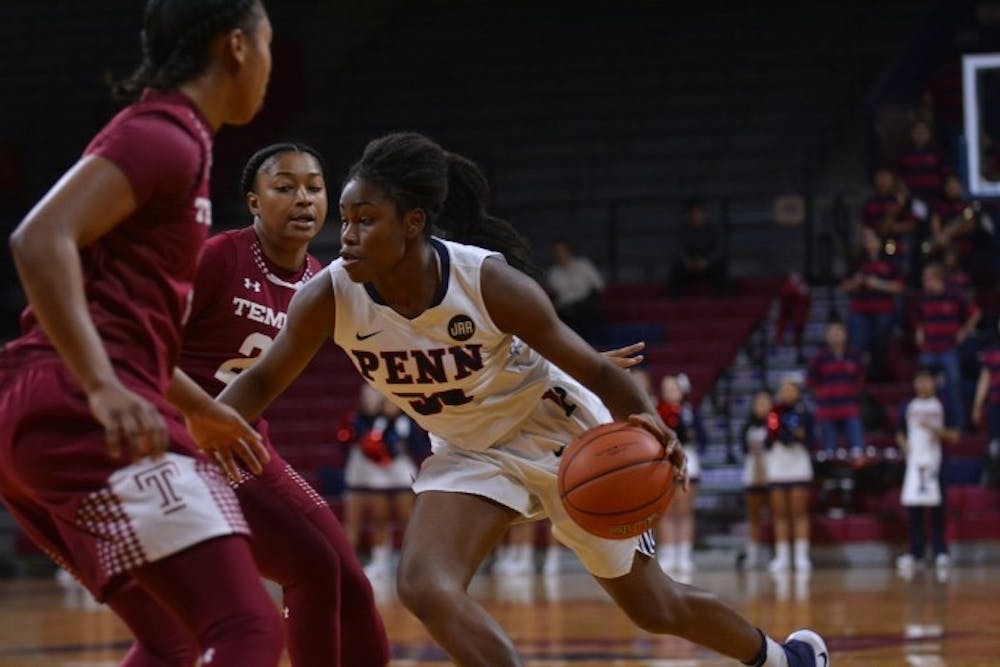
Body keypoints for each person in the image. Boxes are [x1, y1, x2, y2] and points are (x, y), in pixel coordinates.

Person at [215, 132, 829, 666]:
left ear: (412, 223)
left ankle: (783, 659)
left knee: (654, 605)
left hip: (558, 435)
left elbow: (590, 364)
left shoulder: (488, 282)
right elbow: (262, 382)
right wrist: (196, 436)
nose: (346, 235)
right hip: (467, 448)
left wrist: (648, 421)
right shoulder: (328, 295)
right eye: (344, 220)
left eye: (365, 219)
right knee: (425, 586)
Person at [0, 2, 284, 665]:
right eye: (270, 43)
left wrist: (201, 409)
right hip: (82, 408)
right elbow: (40, 238)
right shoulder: (165, 135)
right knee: (250, 629)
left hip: (38, 414)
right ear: (237, 47)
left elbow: (127, 319)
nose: (272, 64)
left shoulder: (179, 141)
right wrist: (100, 385)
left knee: (175, 637)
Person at [177, 142, 389, 665]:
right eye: (285, 186)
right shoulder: (218, 256)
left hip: (249, 444)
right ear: (253, 200)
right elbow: (144, 346)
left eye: (314, 187)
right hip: (188, 441)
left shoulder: (321, 280)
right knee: (312, 567)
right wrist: (194, 416)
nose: (303, 199)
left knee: (353, 585)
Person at [344, 384, 421, 583]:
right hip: (380, 477)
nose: (390, 405)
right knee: (379, 520)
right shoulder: (372, 422)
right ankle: (380, 562)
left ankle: (413, 563)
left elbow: (417, 446)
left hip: (402, 476)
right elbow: (361, 443)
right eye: (387, 402)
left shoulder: (408, 421)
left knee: (408, 521)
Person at [895, 369, 958, 575]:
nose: (922, 385)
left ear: (933, 383)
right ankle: (916, 553)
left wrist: (934, 429)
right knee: (914, 509)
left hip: (936, 461)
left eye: (926, 381)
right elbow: (899, 433)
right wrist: (906, 447)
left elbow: (955, 436)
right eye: (919, 381)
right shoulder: (907, 406)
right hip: (915, 463)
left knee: (938, 507)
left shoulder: (943, 404)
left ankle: (940, 551)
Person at [916, 262, 980, 429]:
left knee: (954, 387)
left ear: (937, 279)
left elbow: (975, 314)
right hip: (929, 348)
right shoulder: (923, 298)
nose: (925, 283)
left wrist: (964, 331)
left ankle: (958, 426)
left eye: (927, 279)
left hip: (948, 349)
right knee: (924, 387)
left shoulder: (955, 296)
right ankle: (927, 424)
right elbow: (919, 319)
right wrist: (919, 330)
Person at [765, 378, 815, 574]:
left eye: (790, 389)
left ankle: (801, 556)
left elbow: (810, 437)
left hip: (798, 462)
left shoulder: (805, 412)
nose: (786, 393)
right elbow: (769, 437)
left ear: (797, 392)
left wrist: (798, 435)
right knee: (780, 513)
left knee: (799, 511)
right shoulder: (774, 413)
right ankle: (782, 556)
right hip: (778, 462)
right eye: (783, 389)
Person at [841, 227, 904, 381]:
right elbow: (845, 286)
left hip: (883, 309)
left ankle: (877, 377)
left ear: (879, 241)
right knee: (857, 346)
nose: (870, 243)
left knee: (881, 345)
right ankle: (855, 377)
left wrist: (877, 284)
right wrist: (857, 281)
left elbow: (899, 287)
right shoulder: (857, 261)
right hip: (860, 310)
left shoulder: (889, 259)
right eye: (866, 239)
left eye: (872, 239)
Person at [655, 375, 700, 575]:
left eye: (674, 388)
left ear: (682, 392)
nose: (670, 392)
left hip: (687, 462)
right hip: (663, 464)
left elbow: (701, 438)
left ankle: (684, 554)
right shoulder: (656, 412)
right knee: (665, 512)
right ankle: (667, 553)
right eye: (667, 388)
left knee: (684, 512)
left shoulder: (690, 412)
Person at [807, 320, 866, 457]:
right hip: (827, 411)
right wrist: (822, 394)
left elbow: (861, 378)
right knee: (830, 452)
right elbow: (811, 381)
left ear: (845, 334)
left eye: (838, 332)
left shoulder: (853, 355)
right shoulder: (820, 358)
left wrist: (852, 393)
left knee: (858, 450)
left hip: (849, 409)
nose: (835, 336)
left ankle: (860, 477)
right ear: (827, 336)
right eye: (832, 333)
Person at [738, 390, 774, 570]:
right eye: (758, 403)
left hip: (773, 473)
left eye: (765, 403)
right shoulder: (748, 427)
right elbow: (743, 448)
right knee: (753, 516)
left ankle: (776, 554)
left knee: (775, 515)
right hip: (752, 474)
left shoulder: (775, 423)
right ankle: (752, 555)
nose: (761, 407)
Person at [669, 199, 728, 297]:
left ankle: (725, 302)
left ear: (705, 214)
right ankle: (672, 303)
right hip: (688, 265)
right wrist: (686, 261)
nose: (695, 216)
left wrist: (706, 262)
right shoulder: (681, 230)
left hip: (709, 264)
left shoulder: (715, 229)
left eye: (698, 213)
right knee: (676, 271)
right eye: (692, 213)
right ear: (687, 215)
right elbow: (678, 250)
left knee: (721, 270)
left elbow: (719, 250)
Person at [546, 240, 604, 338]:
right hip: (564, 310)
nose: (560, 254)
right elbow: (554, 294)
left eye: (562, 250)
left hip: (585, 306)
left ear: (569, 250)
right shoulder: (553, 272)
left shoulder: (584, 265)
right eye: (557, 251)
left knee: (585, 313)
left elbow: (599, 287)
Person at [972, 319, 1000, 443]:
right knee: (995, 445)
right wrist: (977, 406)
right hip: (996, 404)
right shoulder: (992, 351)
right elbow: (984, 380)